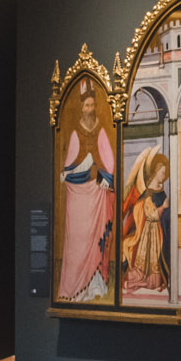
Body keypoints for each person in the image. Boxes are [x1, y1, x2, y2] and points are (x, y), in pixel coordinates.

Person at [56, 84, 114, 300]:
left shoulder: (100, 131)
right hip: (78, 196)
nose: (89, 109)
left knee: (94, 238)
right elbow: (69, 163)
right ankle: (75, 287)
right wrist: (70, 172)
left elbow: (109, 161)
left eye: (92, 105)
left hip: (96, 194)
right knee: (77, 241)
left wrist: (104, 176)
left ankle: (95, 285)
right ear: (81, 108)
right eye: (86, 105)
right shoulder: (75, 133)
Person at [120, 146, 170, 293]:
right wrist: (163, 207)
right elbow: (150, 214)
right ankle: (137, 280)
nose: (163, 176)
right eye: (162, 173)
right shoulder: (147, 193)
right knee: (145, 259)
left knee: (154, 258)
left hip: (156, 232)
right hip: (146, 232)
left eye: (165, 173)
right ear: (155, 172)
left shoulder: (161, 190)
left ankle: (153, 281)